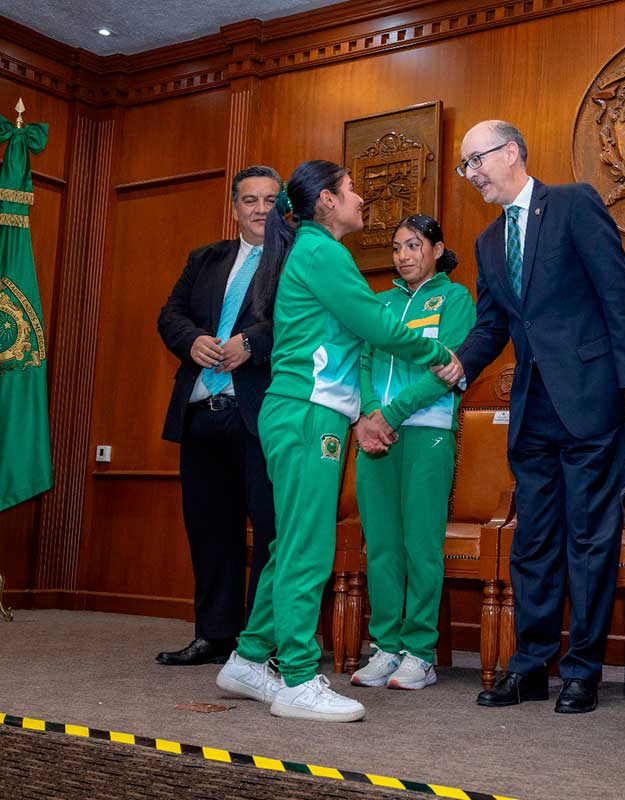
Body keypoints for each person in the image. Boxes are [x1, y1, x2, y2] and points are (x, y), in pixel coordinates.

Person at [214, 160, 463, 723]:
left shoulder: (309, 249)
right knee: (308, 548)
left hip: (305, 413)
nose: (359, 201)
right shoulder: (322, 251)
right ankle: (299, 677)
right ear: (326, 200)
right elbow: (374, 321)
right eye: (351, 191)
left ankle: (251, 658)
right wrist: (437, 353)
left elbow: (362, 323)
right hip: (308, 414)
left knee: (293, 542)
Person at [455, 120, 625, 713]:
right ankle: (531, 665)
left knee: (590, 540)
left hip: (592, 397)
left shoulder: (572, 204)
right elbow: (494, 326)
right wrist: (458, 366)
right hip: (532, 406)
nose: (472, 174)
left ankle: (583, 671)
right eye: (465, 167)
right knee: (534, 541)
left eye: (476, 161)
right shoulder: (489, 242)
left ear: (511, 151)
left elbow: (617, 292)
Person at [156, 165, 281, 666]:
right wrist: (193, 341)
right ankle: (214, 635)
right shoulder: (204, 258)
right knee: (210, 529)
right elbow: (170, 314)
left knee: (270, 531)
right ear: (234, 208)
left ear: (282, 209)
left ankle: (260, 642)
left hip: (261, 416)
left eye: (270, 201)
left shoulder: (296, 260)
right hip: (201, 412)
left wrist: (250, 342)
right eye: (249, 201)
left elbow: (303, 322)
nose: (259, 210)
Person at [349, 214, 476, 690]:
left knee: (420, 544)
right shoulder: (378, 303)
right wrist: (366, 416)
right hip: (375, 436)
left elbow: (445, 368)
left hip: (426, 431)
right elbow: (362, 360)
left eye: (414, 245)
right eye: (398, 247)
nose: (403, 255)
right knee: (381, 546)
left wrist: (391, 414)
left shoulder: (455, 298)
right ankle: (385, 647)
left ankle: (419, 652)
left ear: (437, 249)